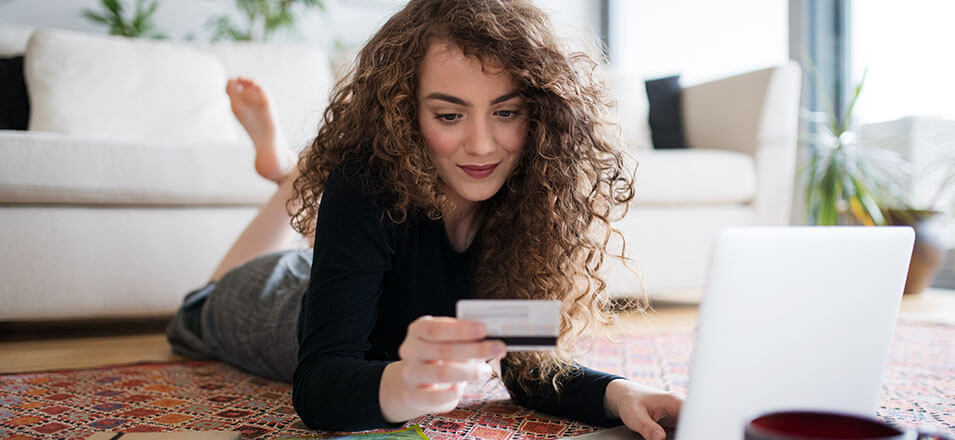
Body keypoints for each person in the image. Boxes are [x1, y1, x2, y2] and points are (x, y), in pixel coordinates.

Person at [166, 1, 683, 438]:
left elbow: (527, 368)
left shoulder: (532, 197)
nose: (482, 146)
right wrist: (401, 385)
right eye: (449, 115)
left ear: (539, 113)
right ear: (405, 112)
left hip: (338, 280)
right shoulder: (365, 181)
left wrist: (620, 394)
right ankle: (293, 177)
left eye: (506, 112)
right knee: (201, 303)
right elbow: (319, 386)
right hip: (271, 305)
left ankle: (294, 179)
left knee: (324, 254)